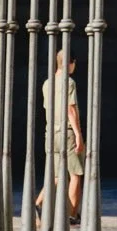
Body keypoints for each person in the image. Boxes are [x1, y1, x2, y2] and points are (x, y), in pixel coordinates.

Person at [38, 53, 85, 221]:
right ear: (70, 64)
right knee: (75, 175)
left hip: (51, 132)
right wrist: (79, 135)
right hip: (67, 132)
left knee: (57, 176)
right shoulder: (69, 83)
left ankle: (39, 203)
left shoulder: (47, 83)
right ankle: (72, 214)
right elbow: (70, 109)